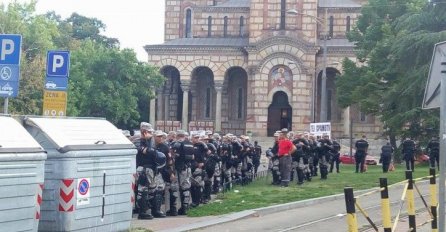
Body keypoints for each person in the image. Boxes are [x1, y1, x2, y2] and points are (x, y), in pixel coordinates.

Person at [136, 122, 166, 219]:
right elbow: (148, 151)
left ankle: (154, 210)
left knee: (153, 190)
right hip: (143, 168)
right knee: (143, 190)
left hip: (152, 168)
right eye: (149, 132)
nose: (151, 134)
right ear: (144, 132)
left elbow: (153, 153)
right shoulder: (138, 141)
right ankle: (142, 212)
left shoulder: (150, 142)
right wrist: (151, 150)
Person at [171, 130, 194, 215]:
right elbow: (193, 156)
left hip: (178, 168)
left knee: (175, 188)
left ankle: (174, 209)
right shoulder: (190, 144)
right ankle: (185, 208)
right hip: (188, 168)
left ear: (177, 136)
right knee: (186, 188)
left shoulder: (176, 144)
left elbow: (174, 156)